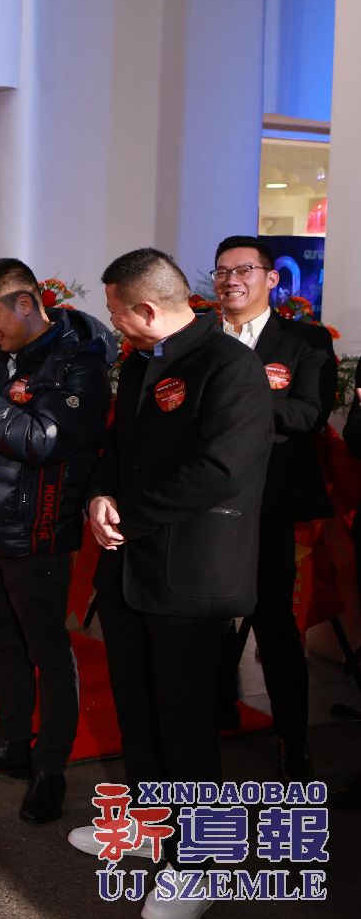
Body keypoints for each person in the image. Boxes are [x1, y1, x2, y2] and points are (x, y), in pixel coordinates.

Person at [69, 248, 272, 891]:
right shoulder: (142, 361)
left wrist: (128, 512)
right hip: (130, 569)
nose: (113, 324)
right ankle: (147, 829)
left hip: (190, 574)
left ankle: (202, 865)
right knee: (138, 712)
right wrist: (99, 496)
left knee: (185, 725)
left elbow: (219, 470)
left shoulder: (230, 367)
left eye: (116, 313)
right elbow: (117, 447)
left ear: (148, 309)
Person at [0, 258, 113, 826]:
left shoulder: (78, 363)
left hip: (37, 533)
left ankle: (50, 768)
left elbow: (41, 440)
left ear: (27, 304)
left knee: (48, 652)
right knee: (4, 645)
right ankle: (11, 743)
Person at [210, 235, 334, 781]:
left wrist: (233, 407)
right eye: (222, 271)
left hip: (269, 502)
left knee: (274, 622)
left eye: (244, 270)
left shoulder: (304, 341)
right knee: (204, 615)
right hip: (203, 500)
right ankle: (216, 709)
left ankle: (292, 737)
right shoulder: (198, 337)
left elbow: (308, 415)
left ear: (271, 278)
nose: (232, 279)